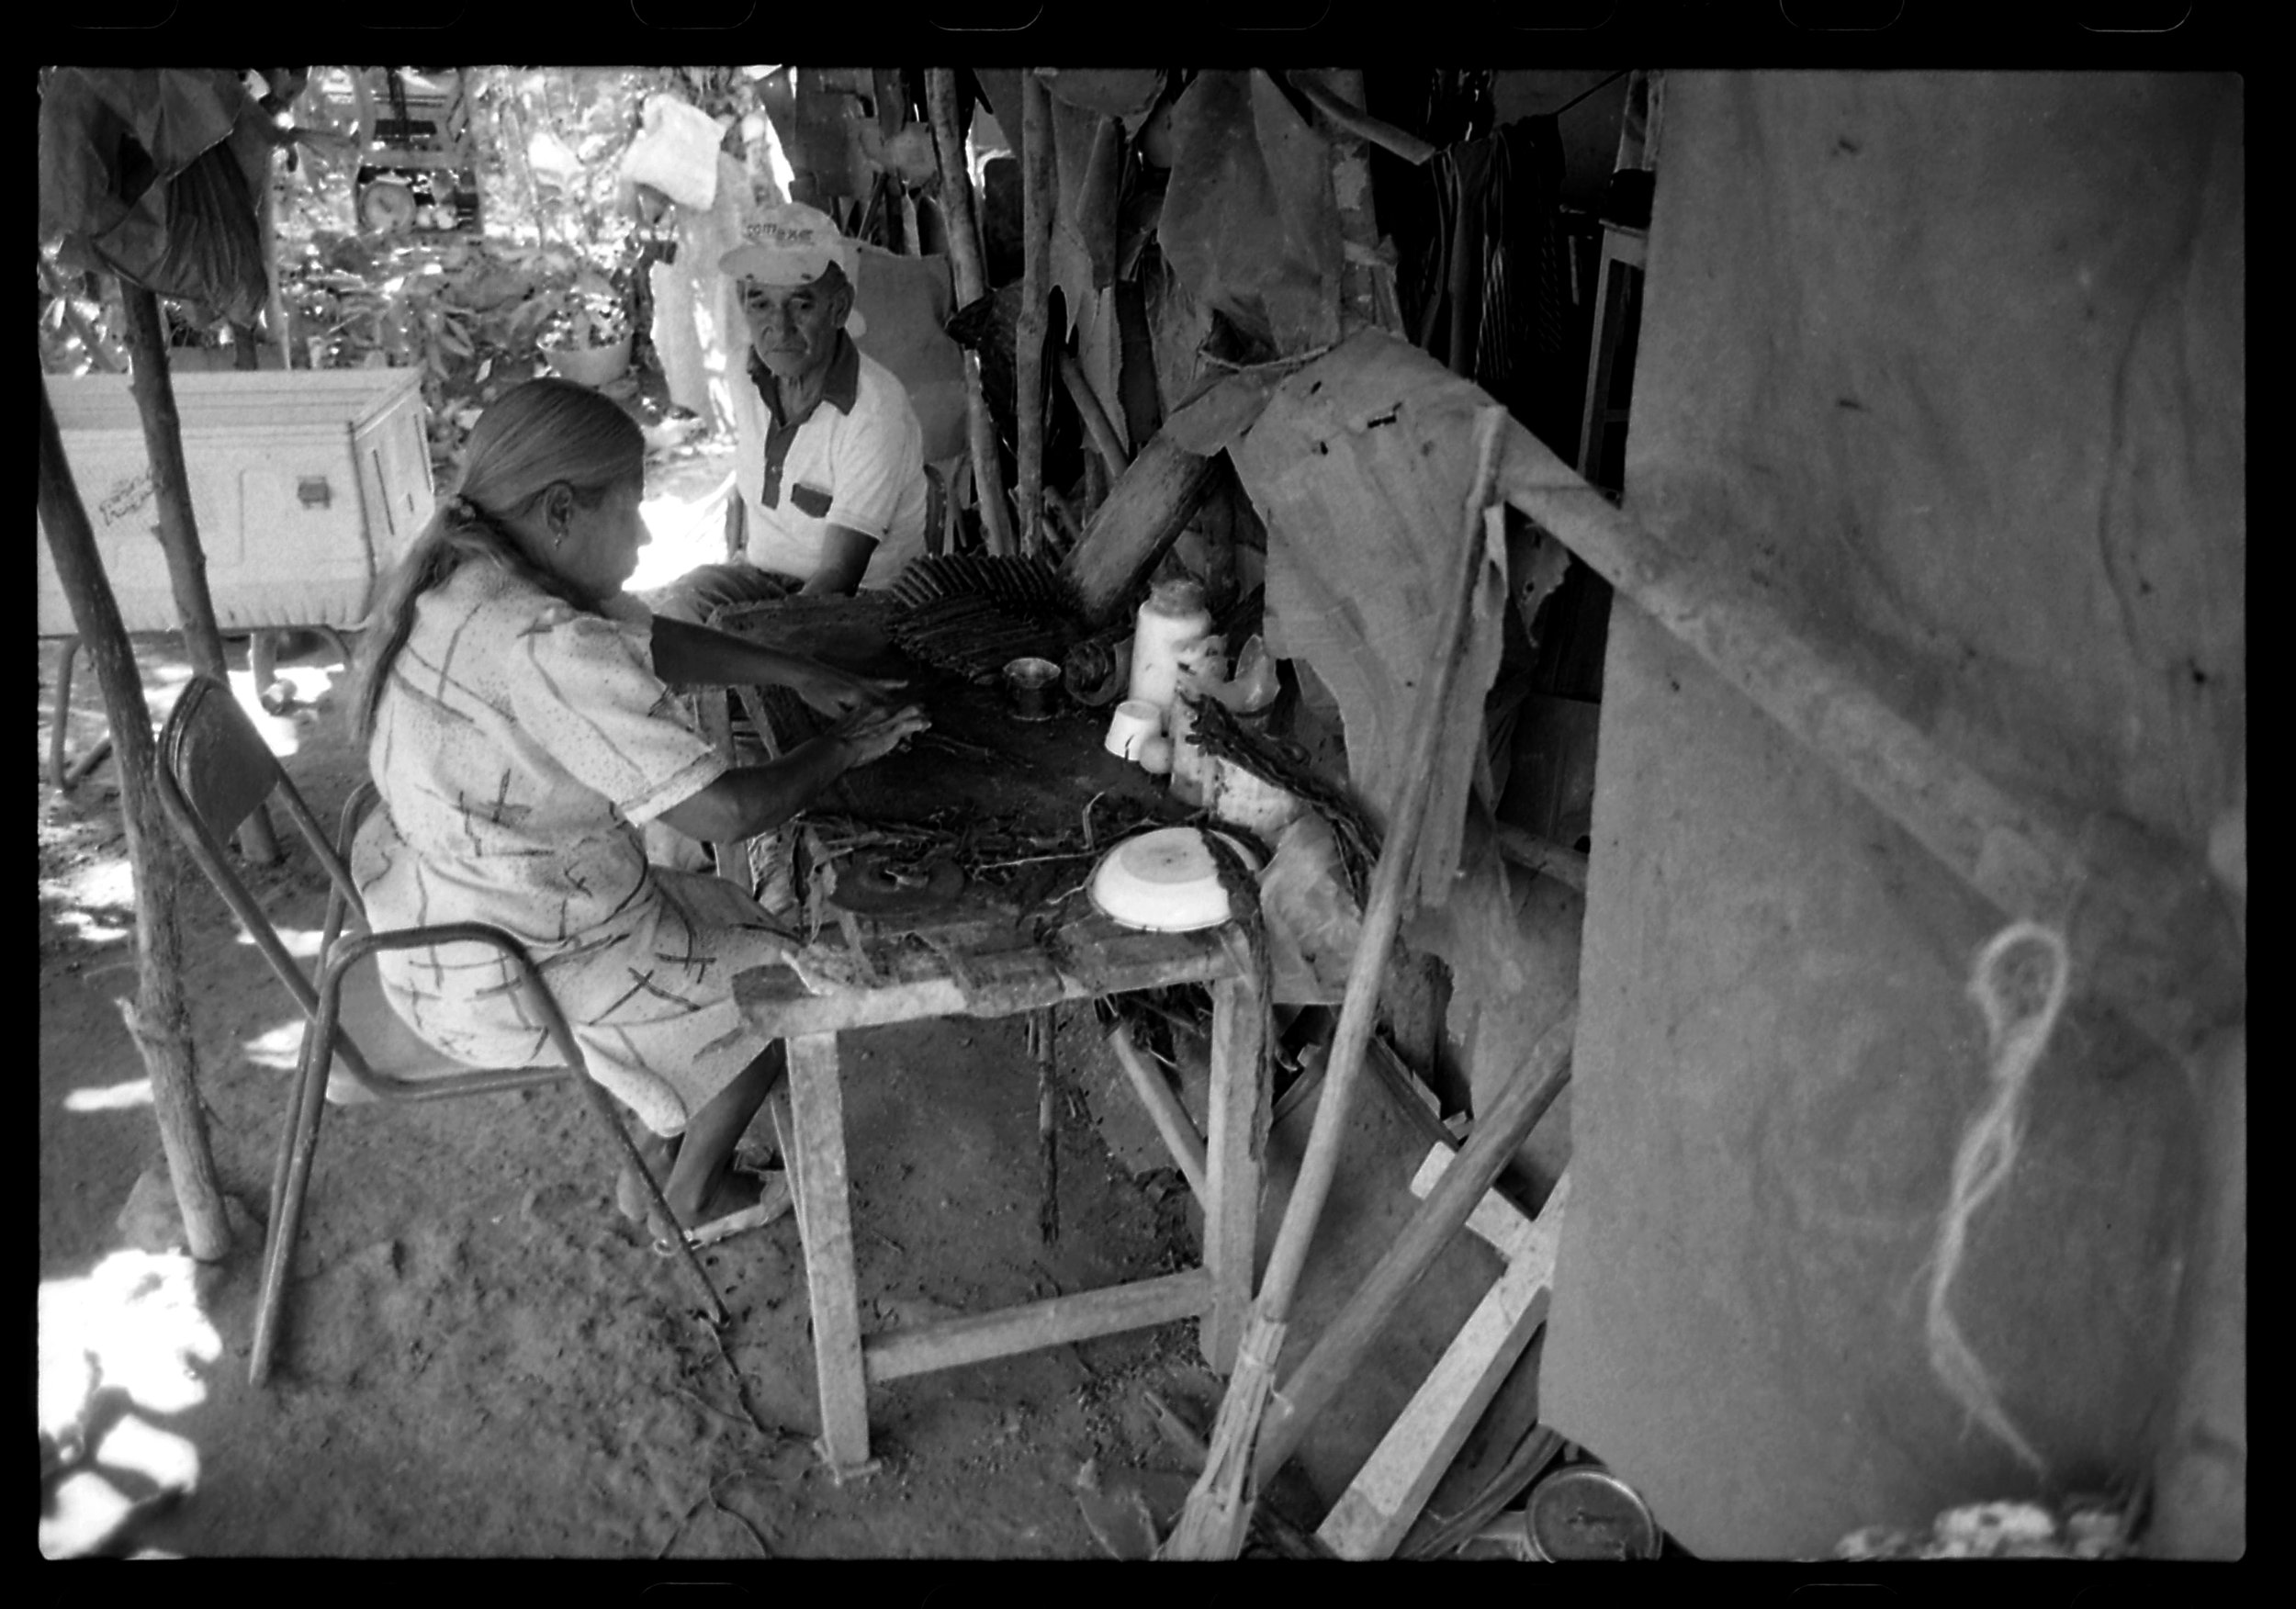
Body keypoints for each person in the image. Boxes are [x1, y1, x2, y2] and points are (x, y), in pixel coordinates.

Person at [347, 378, 929, 1237]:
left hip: (449, 913)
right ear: (560, 512)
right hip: (509, 966)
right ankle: (687, 1195)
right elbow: (724, 817)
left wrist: (798, 672)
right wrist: (841, 749)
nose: (647, 533)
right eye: (634, 508)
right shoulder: (544, 645)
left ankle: (671, 1153)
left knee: (744, 921)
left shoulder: (468, 571)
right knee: (790, 992)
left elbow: (649, 640)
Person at [647, 201, 929, 621]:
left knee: (733, 652)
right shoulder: (743, 372)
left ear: (839, 308)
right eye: (760, 303)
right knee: (669, 614)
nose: (778, 328)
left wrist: (762, 638)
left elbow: (839, 576)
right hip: (761, 580)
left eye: (801, 304)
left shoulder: (874, 411)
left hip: (864, 604)